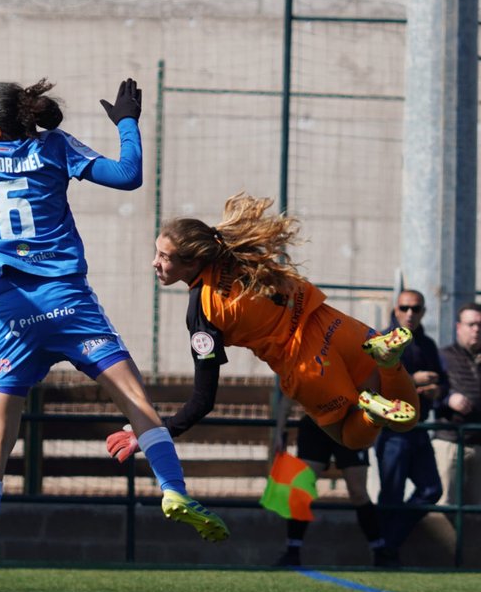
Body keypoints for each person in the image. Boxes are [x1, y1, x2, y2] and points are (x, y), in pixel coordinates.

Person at [0, 76, 229, 592]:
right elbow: (128, 176)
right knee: (136, 402)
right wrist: (128, 123)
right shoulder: (54, 148)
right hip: (70, 306)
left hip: (14, 316)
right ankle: (173, 491)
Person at [112, 194, 418, 493]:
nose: (155, 263)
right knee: (409, 416)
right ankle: (388, 361)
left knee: (352, 438)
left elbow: (203, 400)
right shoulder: (239, 254)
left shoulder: (202, 311)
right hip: (337, 327)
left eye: (164, 257)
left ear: (192, 263)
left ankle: (372, 414)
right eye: (157, 253)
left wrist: (154, 432)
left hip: (308, 365)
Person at [373, 290, 445, 557]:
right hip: (391, 430)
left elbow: (443, 382)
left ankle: (388, 544)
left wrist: (436, 391)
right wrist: (414, 380)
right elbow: (375, 384)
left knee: (431, 489)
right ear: (396, 310)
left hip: (418, 428)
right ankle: (383, 551)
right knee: (392, 494)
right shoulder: (384, 341)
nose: (410, 314)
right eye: (405, 308)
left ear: (423, 311)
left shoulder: (427, 344)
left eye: (416, 309)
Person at [274, 417, 395, 568]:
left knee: (358, 492)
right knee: (301, 490)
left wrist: (372, 429)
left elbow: (374, 402)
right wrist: (279, 431)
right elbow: (286, 402)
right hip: (316, 425)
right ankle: (292, 552)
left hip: (350, 425)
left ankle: (379, 552)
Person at [434, 303, 481, 511]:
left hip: (478, 443)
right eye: (471, 324)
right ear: (459, 327)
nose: (476, 330)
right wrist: (448, 399)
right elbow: (427, 393)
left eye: (480, 325)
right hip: (450, 441)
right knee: (445, 506)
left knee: (476, 511)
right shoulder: (443, 356)